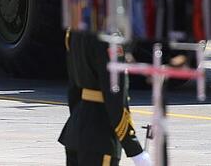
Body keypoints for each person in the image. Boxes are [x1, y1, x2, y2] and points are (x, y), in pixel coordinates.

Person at [59, 28, 151, 166]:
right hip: (101, 137)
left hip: (75, 131)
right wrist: (135, 150)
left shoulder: (74, 32)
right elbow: (115, 97)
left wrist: (79, 123)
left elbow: (74, 89)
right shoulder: (110, 38)